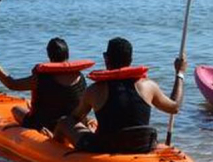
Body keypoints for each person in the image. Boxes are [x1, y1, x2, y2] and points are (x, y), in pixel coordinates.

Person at [56, 37, 185, 154]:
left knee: (64, 122)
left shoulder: (95, 90)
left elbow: (75, 117)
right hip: (142, 146)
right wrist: (179, 73)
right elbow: (174, 107)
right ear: (131, 60)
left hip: (106, 148)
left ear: (106, 59)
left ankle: (55, 153)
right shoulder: (148, 86)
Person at [0, 37, 90, 131]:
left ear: (49, 56)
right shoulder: (80, 76)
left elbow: (11, 84)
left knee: (16, 109)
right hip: (71, 124)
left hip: (44, 126)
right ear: (67, 55)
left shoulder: (41, 78)